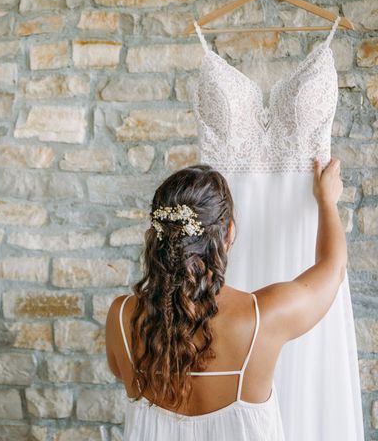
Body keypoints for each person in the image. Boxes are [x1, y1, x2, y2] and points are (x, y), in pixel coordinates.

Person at [105, 157, 346, 440]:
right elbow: (334, 267)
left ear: (158, 238)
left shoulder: (122, 316)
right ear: (228, 233)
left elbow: (120, 371)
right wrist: (327, 200)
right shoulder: (262, 318)